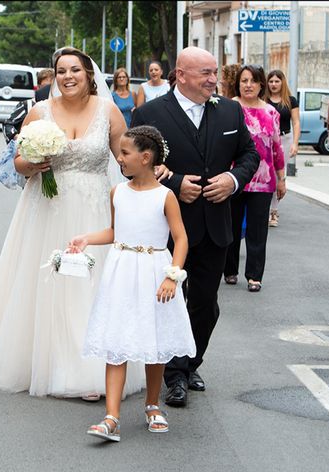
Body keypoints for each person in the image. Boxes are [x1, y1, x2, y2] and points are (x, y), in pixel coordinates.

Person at [0, 47, 146, 399]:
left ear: (89, 75)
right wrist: (33, 164)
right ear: (55, 76)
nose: (67, 76)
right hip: (46, 208)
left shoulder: (107, 111)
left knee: (87, 285)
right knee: (44, 281)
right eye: (61, 71)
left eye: (75, 69)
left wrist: (149, 177)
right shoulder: (39, 112)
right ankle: (38, 362)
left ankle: (89, 369)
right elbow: (16, 161)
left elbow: (126, 158)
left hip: (91, 209)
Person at [131, 46, 260, 407]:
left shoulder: (230, 110)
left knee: (206, 303)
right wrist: (174, 184)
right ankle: (175, 375)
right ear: (181, 75)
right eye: (205, 73)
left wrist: (233, 180)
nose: (212, 80)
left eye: (214, 72)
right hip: (168, 230)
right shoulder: (150, 114)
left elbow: (251, 155)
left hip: (216, 225)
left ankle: (190, 362)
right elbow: (137, 164)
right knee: (169, 301)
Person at [68, 126, 196, 442]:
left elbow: (180, 239)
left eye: (125, 154)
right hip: (121, 271)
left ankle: (152, 405)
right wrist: (87, 238)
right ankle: (111, 416)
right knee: (116, 341)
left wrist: (172, 274)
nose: (120, 159)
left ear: (146, 157)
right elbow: (115, 232)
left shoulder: (165, 196)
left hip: (155, 270)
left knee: (155, 342)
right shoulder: (118, 193)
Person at [224, 65, 286, 292]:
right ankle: (229, 270)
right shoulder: (228, 108)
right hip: (233, 178)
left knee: (257, 230)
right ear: (238, 84)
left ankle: (254, 275)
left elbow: (277, 148)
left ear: (261, 85)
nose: (248, 85)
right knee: (229, 226)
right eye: (244, 81)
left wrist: (281, 178)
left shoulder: (271, 113)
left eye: (252, 81)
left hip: (264, 179)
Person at [265, 69, 299, 227]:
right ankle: (265, 209)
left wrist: (295, 143)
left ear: (282, 82)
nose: (273, 84)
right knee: (268, 174)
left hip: (284, 139)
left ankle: (274, 211)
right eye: (271, 81)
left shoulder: (291, 100)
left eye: (277, 81)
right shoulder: (264, 99)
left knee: (279, 176)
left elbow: (296, 122)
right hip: (267, 140)